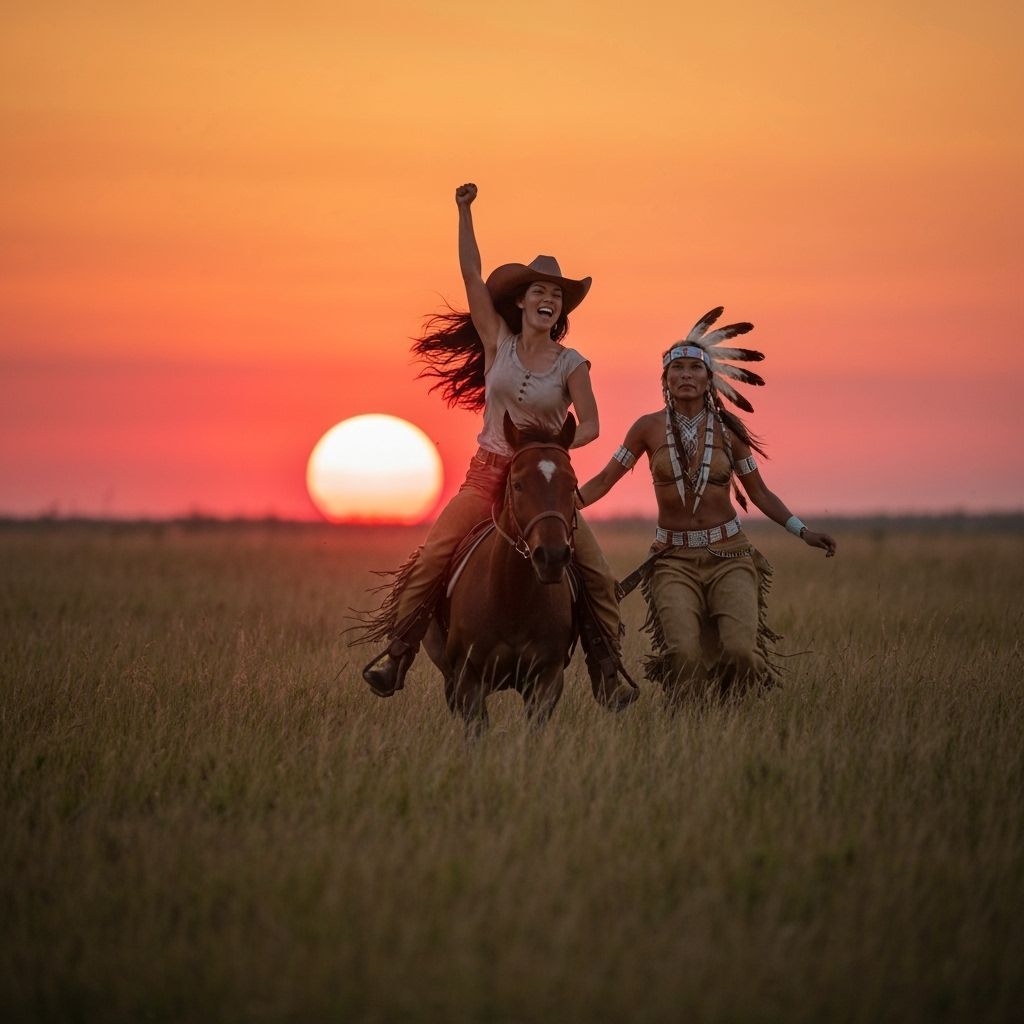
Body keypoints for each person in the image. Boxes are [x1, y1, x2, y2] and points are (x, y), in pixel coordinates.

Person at [355, 183, 635, 710]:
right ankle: (398, 654)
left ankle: (607, 670)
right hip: (488, 475)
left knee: (595, 572)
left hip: (547, 481)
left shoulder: (572, 363)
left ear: (561, 308)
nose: (548, 299)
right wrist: (464, 212)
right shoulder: (497, 342)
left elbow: (593, 424)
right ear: (522, 301)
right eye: (540, 292)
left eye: (556, 294)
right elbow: (470, 274)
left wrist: (552, 442)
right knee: (433, 556)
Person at [577, 307, 837, 702]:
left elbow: (761, 493)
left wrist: (803, 531)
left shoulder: (729, 433)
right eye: (676, 368)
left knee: (741, 654)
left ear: (708, 379)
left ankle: (728, 713)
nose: (685, 375)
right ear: (665, 379)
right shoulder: (646, 429)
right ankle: (689, 724)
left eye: (694, 368)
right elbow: (604, 480)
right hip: (672, 558)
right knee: (682, 655)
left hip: (730, 555)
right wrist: (561, 504)